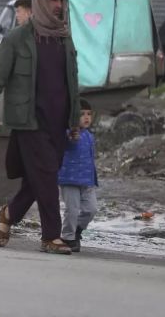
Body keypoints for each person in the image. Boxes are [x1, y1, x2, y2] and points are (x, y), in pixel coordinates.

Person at [0, 0, 81, 255]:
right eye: (53, 0)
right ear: (40, 2)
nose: (58, 5)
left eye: (61, 0)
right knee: (47, 176)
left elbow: (72, 81)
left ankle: (8, 214)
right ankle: (51, 236)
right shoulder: (18, 38)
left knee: (38, 179)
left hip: (57, 122)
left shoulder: (64, 38)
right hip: (29, 120)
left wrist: (74, 120)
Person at [59, 99, 98, 253]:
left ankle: (77, 230)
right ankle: (68, 238)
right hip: (69, 179)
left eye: (89, 114)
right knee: (72, 210)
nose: (86, 117)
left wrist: (93, 178)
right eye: (82, 114)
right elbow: (67, 143)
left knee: (91, 209)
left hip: (87, 181)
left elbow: (91, 158)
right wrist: (70, 137)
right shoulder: (69, 133)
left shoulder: (89, 136)